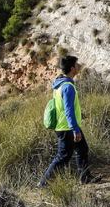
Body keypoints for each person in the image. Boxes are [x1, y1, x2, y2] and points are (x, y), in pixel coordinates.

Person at [39, 55, 99, 186]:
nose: (79, 67)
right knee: (62, 157)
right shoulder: (68, 87)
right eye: (77, 65)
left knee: (82, 149)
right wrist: (75, 129)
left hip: (66, 125)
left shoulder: (59, 85)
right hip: (67, 128)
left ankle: (85, 177)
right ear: (72, 68)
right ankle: (43, 184)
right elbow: (68, 110)